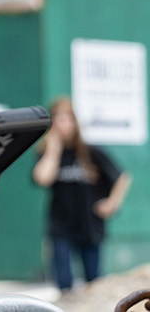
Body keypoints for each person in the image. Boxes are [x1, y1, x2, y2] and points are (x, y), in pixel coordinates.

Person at [33, 95, 132, 292]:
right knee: (64, 283)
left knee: (94, 283)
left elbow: (122, 177)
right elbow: (41, 179)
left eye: (66, 118)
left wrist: (112, 203)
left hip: (89, 223)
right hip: (61, 225)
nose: (63, 124)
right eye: (58, 119)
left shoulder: (90, 152)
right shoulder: (48, 153)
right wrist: (53, 149)